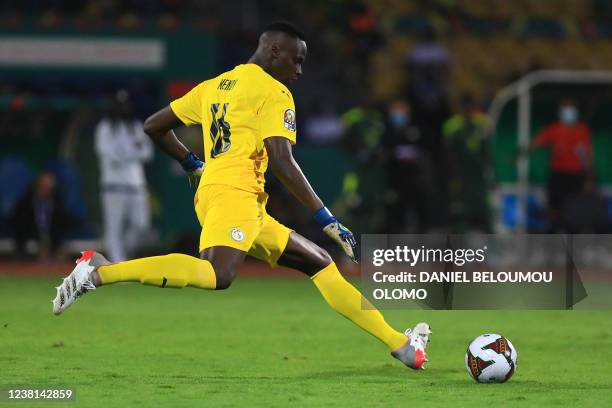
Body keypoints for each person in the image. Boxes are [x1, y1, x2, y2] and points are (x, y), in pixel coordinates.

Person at [52, 22, 431, 370]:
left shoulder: (215, 85)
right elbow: (283, 160)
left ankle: (402, 345)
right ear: (275, 52)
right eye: (296, 61)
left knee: (319, 263)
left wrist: (190, 163)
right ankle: (101, 271)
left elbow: (154, 126)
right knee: (218, 274)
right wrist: (324, 217)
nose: (299, 71)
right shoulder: (273, 91)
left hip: (231, 196)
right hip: (235, 195)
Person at [94, 89, 154, 261]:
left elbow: (147, 153)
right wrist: (132, 151)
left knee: (142, 225)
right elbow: (110, 154)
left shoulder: (136, 127)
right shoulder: (104, 128)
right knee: (114, 229)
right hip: (113, 186)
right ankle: (118, 267)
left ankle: (123, 257)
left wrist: (125, 152)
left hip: (136, 185)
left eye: (125, 105)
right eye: (119, 105)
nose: (122, 109)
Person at [524, 98, 592, 232]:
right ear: (560, 112)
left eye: (570, 108)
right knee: (554, 209)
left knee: (574, 211)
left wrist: (588, 177)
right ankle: (553, 236)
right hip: (558, 175)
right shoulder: (554, 129)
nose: (568, 112)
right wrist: (523, 151)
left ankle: (573, 240)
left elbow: (587, 156)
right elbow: (537, 142)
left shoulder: (582, 130)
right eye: (565, 108)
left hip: (575, 176)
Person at [443, 93, 493, 232]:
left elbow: (487, 151)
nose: (469, 110)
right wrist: (453, 176)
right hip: (461, 178)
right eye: (466, 106)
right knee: (460, 215)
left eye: (471, 106)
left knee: (486, 215)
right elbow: (449, 153)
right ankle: (458, 250)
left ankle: (491, 249)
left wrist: (490, 172)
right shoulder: (453, 125)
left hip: (480, 178)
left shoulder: (483, 123)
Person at [11, 172, 71, 260]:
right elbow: (19, 221)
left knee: (60, 248)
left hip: (52, 235)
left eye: (50, 186)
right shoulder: (26, 201)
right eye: (45, 185)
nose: (48, 188)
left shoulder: (57, 201)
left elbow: (62, 222)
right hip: (30, 233)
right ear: (38, 185)